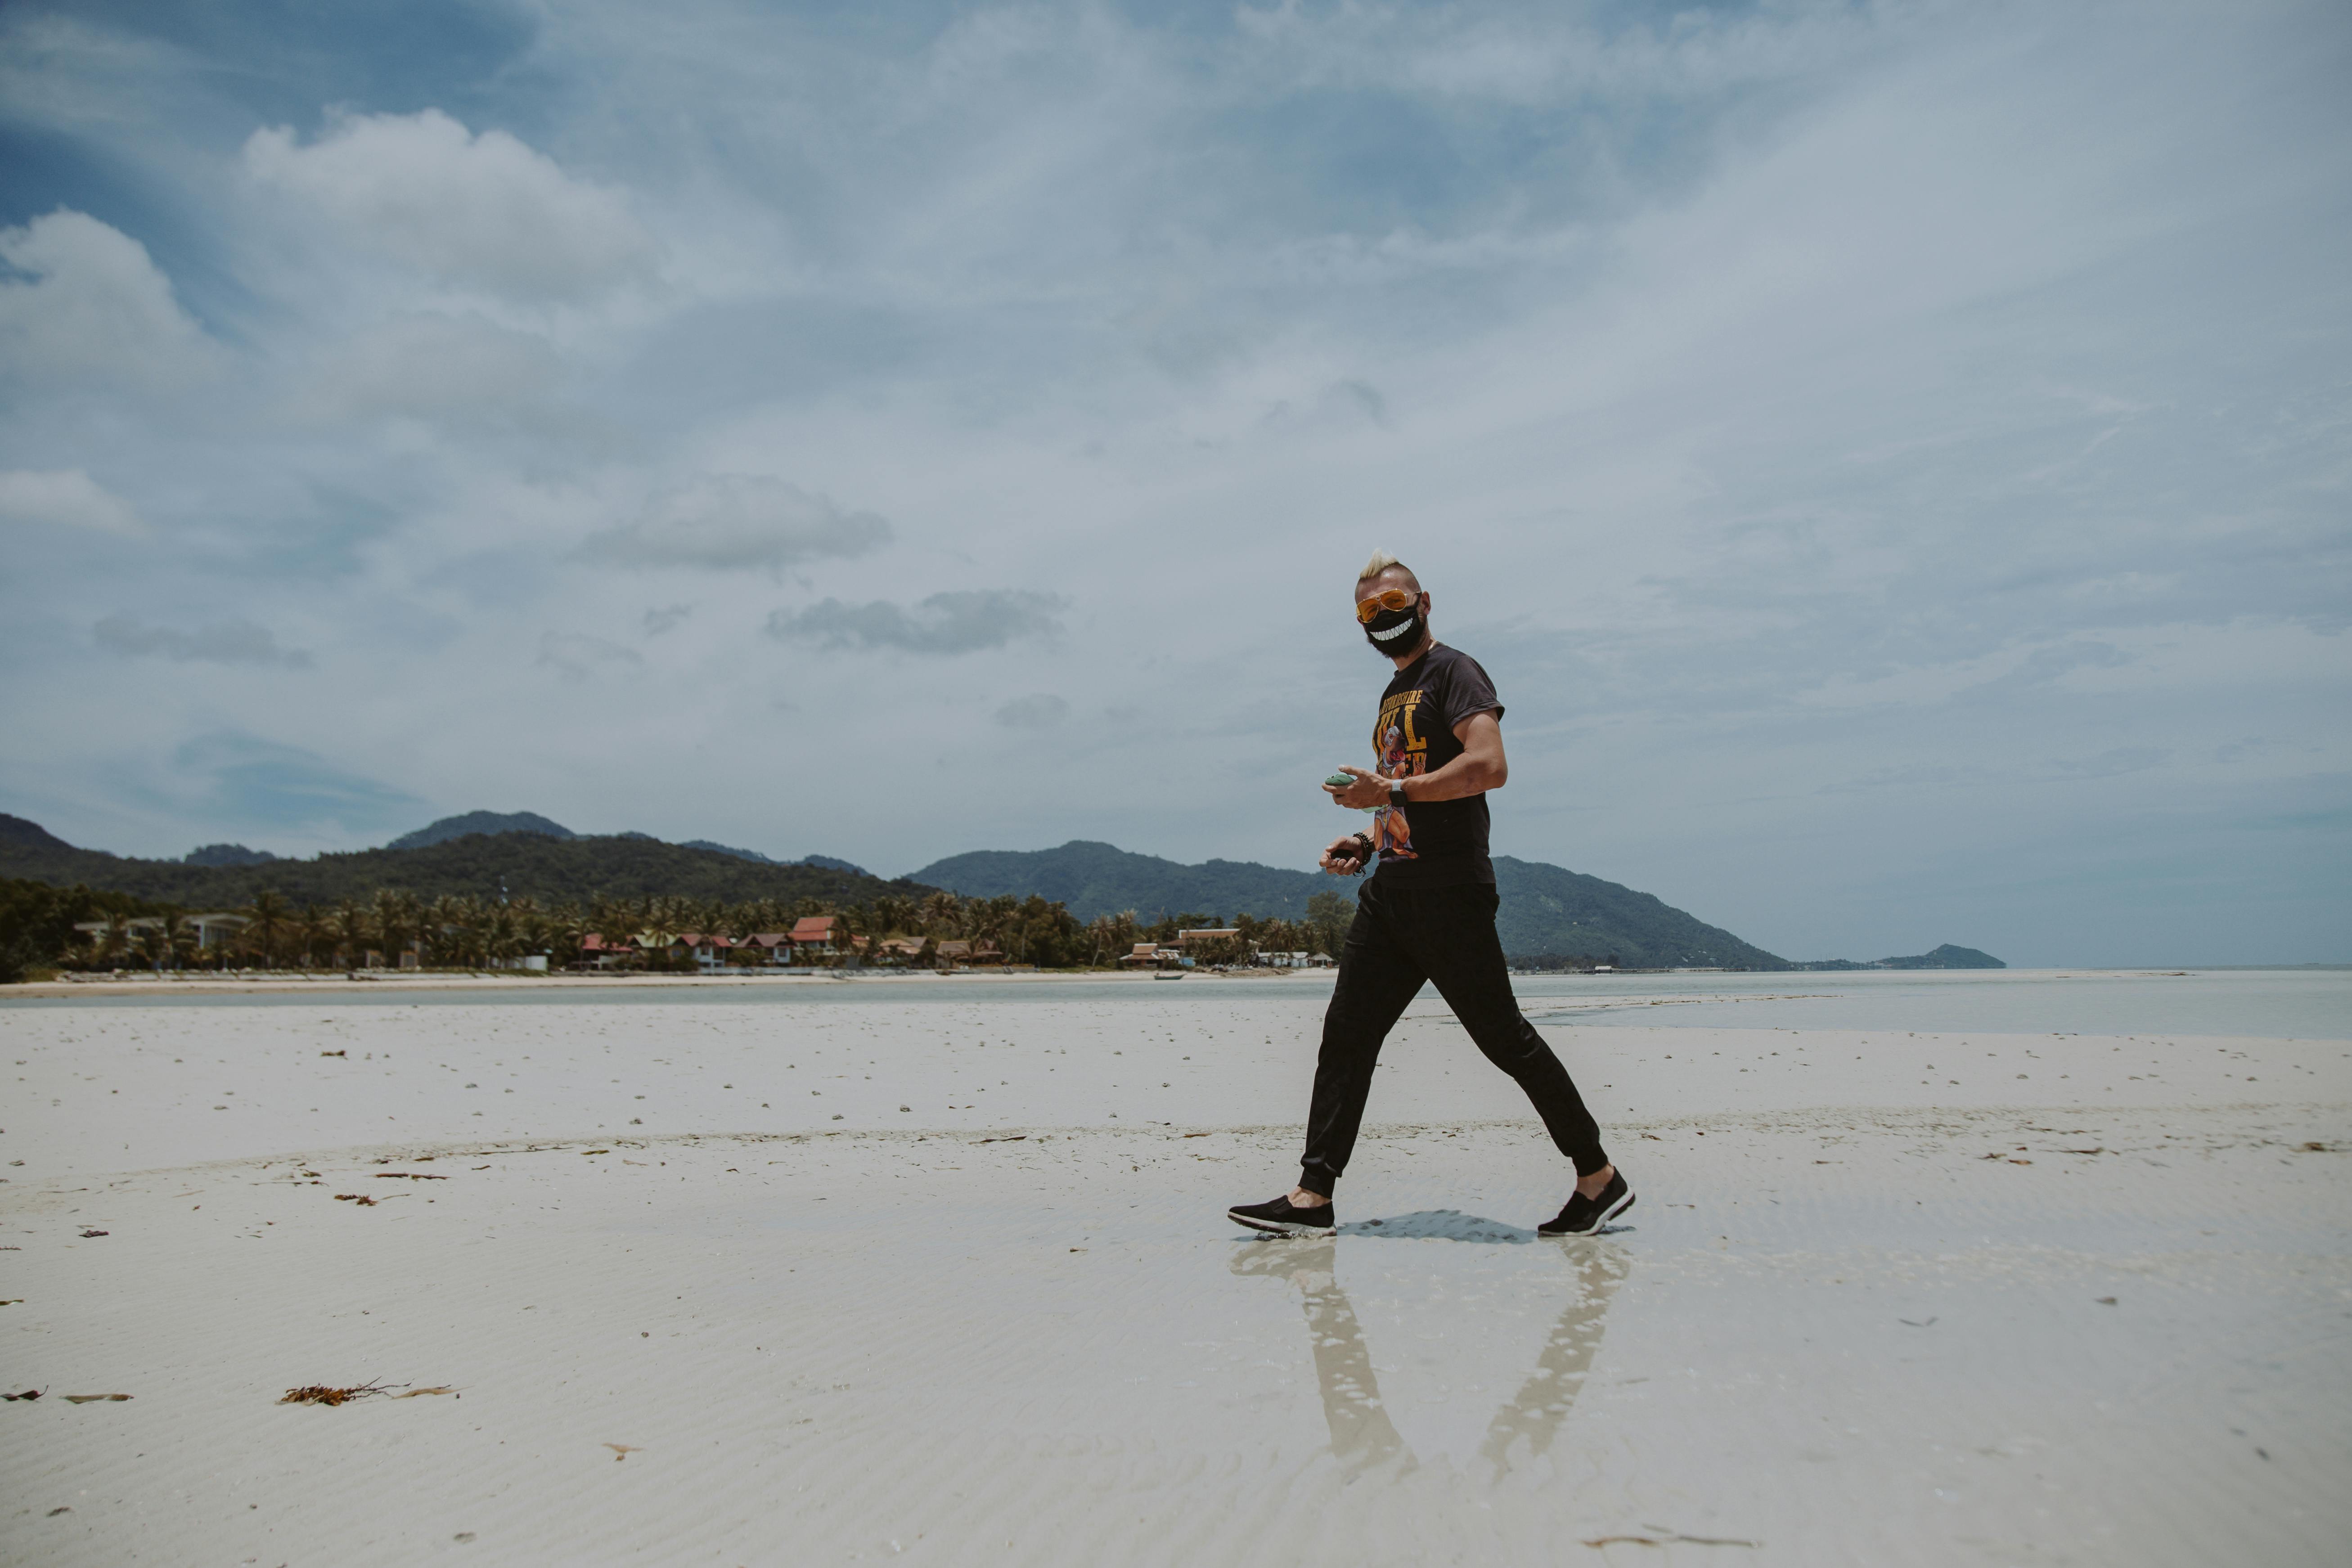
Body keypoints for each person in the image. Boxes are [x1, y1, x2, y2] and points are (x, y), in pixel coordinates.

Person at [1228, 553, 1632, 1239]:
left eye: (1393, 603)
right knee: (1346, 1035)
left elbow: (1488, 767)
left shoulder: (1456, 672)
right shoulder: (1393, 694)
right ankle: (1313, 1195)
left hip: (1449, 894)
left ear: (1424, 602)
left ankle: (1597, 1177)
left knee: (1505, 1040)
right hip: (1393, 894)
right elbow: (1409, 789)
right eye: (1368, 612)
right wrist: (1368, 834)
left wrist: (1386, 791)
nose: (1383, 619)